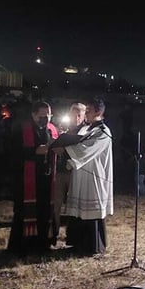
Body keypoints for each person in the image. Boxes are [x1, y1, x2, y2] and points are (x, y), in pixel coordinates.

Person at [55, 97, 114, 256]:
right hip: (80, 174)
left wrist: (65, 151)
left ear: (98, 112)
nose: (85, 114)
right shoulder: (87, 129)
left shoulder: (103, 132)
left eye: (88, 111)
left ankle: (92, 246)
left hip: (94, 177)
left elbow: (86, 150)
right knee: (79, 211)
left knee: (91, 211)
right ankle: (77, 243)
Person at [7, 101, 59, 256]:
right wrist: (34, 152)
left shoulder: (52, 130)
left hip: (46, 178)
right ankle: (23, 246)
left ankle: (43, 243)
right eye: (42, 116)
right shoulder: (22, 130)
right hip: (26, 179)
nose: (45, 119)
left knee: (44, 210)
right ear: (33, 115)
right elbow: (14, 153)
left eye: (48, 116)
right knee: (26, 212)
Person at [53, 102, 87, 245]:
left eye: (79, 115)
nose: (76, 118)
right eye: (74, 115)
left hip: (76, 173)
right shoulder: (65, 130)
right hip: (61, 172)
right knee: (56, 204)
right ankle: (53, 233)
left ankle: (72, 235)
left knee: (74, 206)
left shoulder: (87, 131)